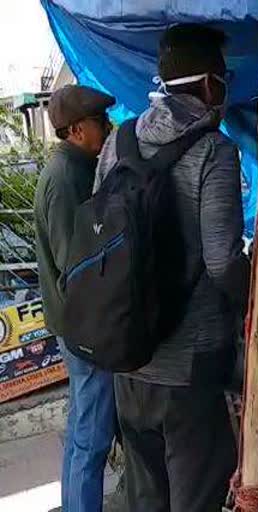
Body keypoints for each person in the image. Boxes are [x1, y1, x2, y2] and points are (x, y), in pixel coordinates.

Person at [93, 23, 248, 512]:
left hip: (127, 354)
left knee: (147, 500)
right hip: (189, 366)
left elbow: (99, 235)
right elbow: (223, 261)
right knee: (197, 497)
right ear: (209, 85)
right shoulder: (214, 151)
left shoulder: (117, 142)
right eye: (223, 80)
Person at [33, 84, 116, 512]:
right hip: (83, 327)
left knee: (84, 424)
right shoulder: (66, 178)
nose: (108, 128)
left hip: (76, 323)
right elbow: (76, 266)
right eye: (101, 123)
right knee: (93, 433)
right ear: (78, 130)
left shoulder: (74, 167)